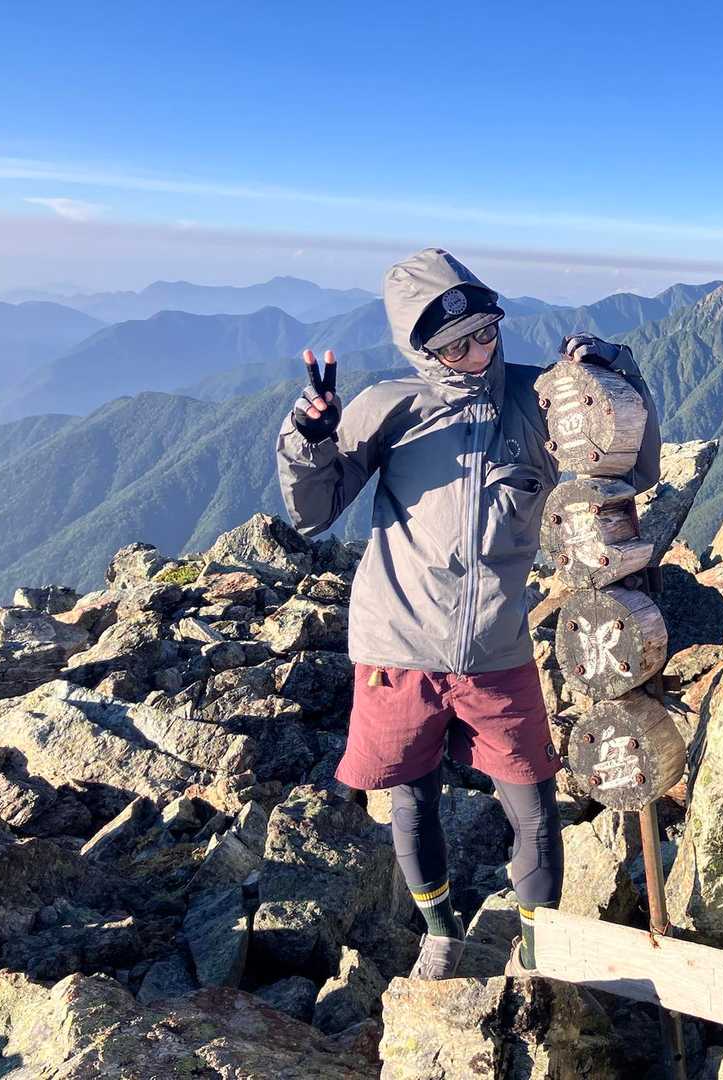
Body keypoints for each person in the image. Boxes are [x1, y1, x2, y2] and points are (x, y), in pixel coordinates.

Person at [275, 247, 661, 979]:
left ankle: (537, 953)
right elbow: (314, 511)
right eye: (456, 347)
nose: (479, 353)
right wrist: (309, 439)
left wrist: (618, 379)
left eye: (487, 333)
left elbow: (632, 470)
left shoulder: (540, 400)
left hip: (496, 646)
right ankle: (441, 933)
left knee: (535, 808)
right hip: (397, 645)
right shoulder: (388, 407)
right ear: (420, 350)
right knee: (412, 801)